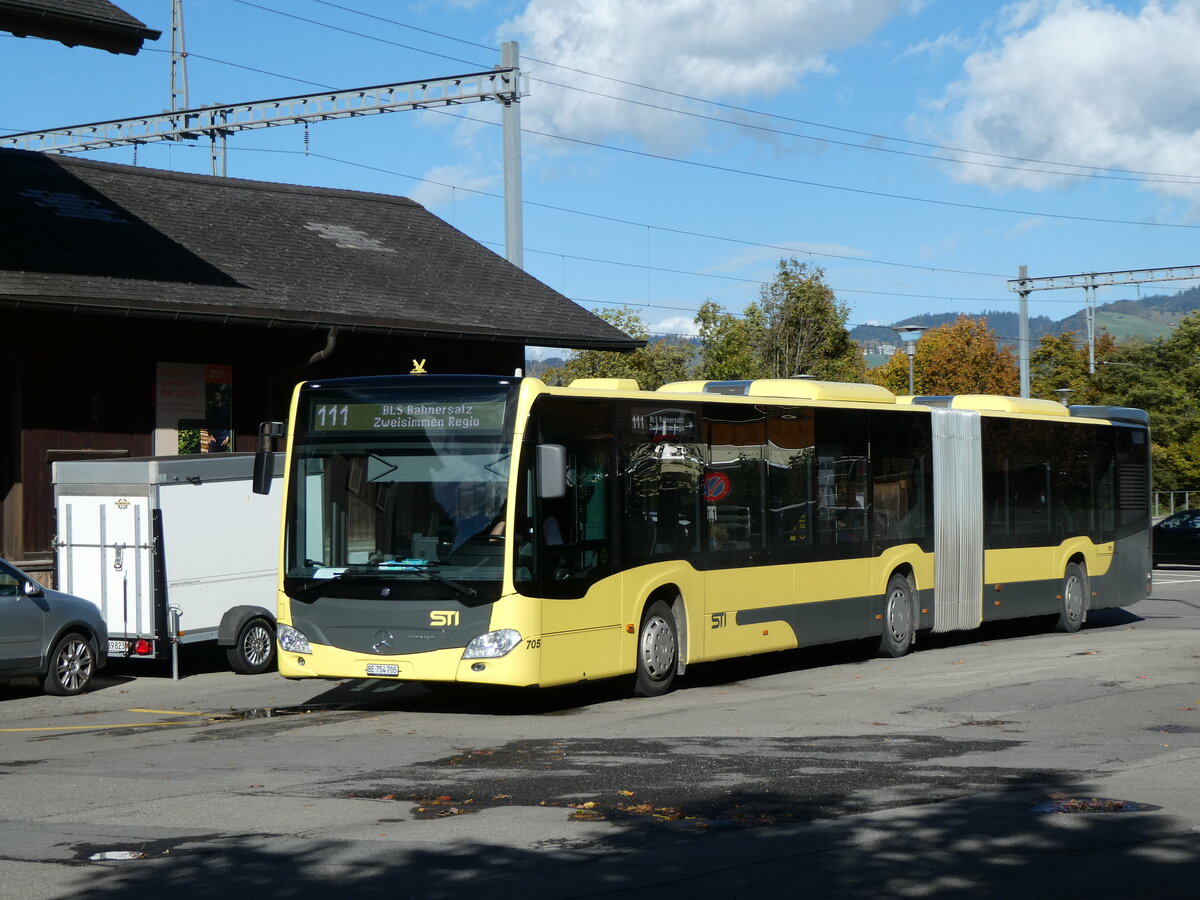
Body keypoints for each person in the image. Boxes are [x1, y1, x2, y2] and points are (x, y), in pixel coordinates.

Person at [206, 389, 231, 453]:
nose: (216, 397)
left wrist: (227, 438)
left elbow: (229, 424)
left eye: (218, 395)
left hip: (223, 440)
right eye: (215, 396)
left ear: (221, 397)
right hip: (213, 440)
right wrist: (209, 436)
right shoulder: (211, 410)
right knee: (210, 459)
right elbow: (208, 424)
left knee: (221, 460)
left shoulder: (226, 409)